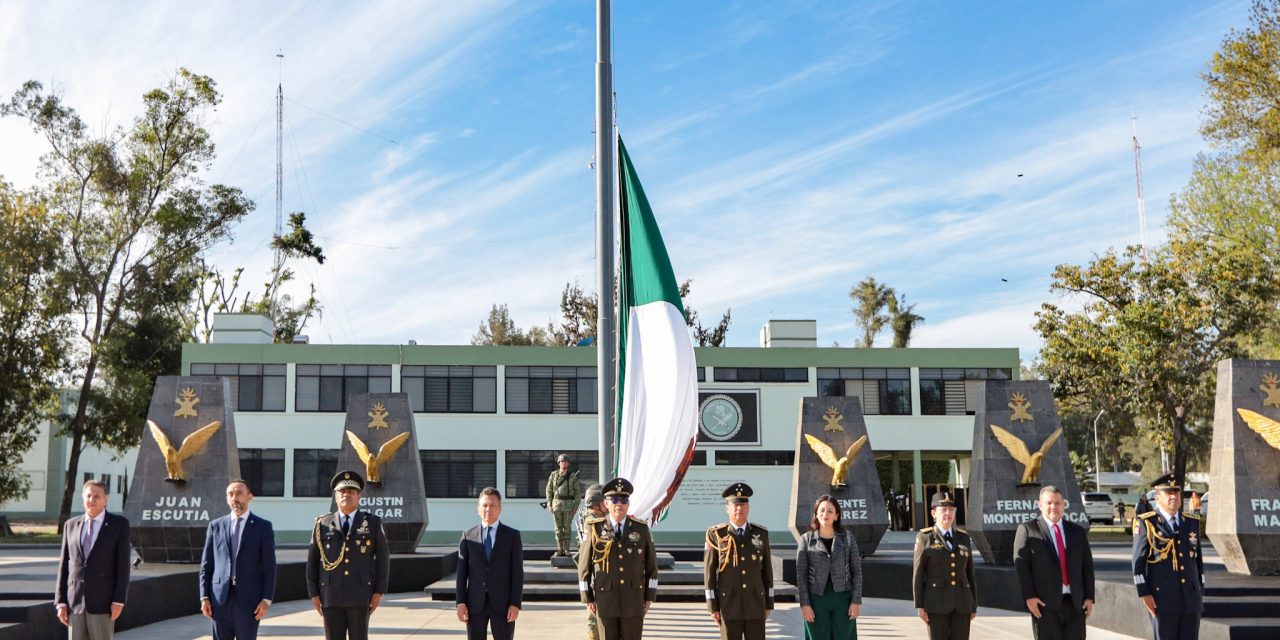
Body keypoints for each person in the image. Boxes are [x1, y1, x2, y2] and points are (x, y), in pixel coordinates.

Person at [306, 470, 391, 640]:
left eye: (351, 491)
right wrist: (313, 593)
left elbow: (383, 559)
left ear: (359, 496)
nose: (346, 495)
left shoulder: (372, 523)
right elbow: (313, 561)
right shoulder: (321, 524)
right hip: (330, 594)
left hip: (360, 594)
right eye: (342, 491)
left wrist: (379, 591)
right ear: (336, 497)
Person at [577, 477, 657, 640]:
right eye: (613, 499)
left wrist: (649, 596)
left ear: (628, 504)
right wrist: (587, 596)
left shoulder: (641, 529)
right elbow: (584, 567)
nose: (618, 503)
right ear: (606, 503)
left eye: (623, 499)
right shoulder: (594, 528)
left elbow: (651, 567)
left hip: (633, 600)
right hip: (606, 600)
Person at [1013, 485, 1095, 640]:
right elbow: (1022, 568)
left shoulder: (1077, 531)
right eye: (1049, 503)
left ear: (1064, 504)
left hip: (1075, 603)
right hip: (1044, 605)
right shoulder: (1028, 529)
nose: (1053, 507)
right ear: (1040, 505)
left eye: (1057, 503)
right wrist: (1029, 596)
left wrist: (1089, 597)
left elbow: (1087, 566)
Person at [200, 480, 277, 640]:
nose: (235, 498)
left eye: (239, 493)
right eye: (231, 494)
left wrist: (266, 599)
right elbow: (206, 565)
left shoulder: (263, 527)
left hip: (249, 601)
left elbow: (269, 567)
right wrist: (204, 597)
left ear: (249, 497)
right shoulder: (215, 526)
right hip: (219, 600)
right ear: (227, 499)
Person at [55, 479, 131, 640]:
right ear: (83, 498)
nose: (92, 500)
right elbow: (64, 566)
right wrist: (60, 601)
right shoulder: (70, 525)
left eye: (97, 496)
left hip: (103, 603)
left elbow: (123, 567)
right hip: (74, 603)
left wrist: (119, 600)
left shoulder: (119, 525)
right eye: (88, 496)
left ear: (106, 500)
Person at [1133, 480, 1204, 640]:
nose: (1174, 497)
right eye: (1168, 493)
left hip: (1190, 599)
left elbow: (1198, 561)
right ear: (1157, 498)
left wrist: (1199, 590)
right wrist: (1144, 593)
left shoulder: (1191, 522)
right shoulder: (1147, 522)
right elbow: (1137, 563)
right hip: (1163, 600)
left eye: (1176, 492)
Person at [704, 482, 774, 640]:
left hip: (755, 603)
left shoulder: (761, 534)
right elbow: (709, 575)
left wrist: (768, 603)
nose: (739, 509)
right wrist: (713, 606)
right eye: (734, 505)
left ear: (748, 508)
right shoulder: (715, 535)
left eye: (743, 505)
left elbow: (767, 571)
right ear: (727, 508)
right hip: (728, 604)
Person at [456, 487, 524, 640]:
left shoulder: (512, 536)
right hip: (474, 605)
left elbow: (517, 573)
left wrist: (515, 603)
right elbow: (461, 573)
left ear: (500, 509)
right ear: (478, 509)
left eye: (493, 505)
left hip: (503, 605)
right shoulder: (468, 535)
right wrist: (460, 602)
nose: (488, 509)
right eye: (485, 505)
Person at [796, 494, 862, 640]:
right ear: (816, 514)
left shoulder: (847, 537)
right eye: (822, 510)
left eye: (830, 511)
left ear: (836, 516)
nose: (825, 514)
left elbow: (856, 571)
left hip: (843, 598)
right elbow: (801, 575)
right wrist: (804, 604)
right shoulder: (806, 539)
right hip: (816, 599)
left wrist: (856, 601)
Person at [912, 492, 976, 640]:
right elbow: (918, 573)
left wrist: (973, 604)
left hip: (962, 603)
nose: (948, 513)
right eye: (943, 510)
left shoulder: (963, 537)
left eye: (951, 509)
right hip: (936, 603)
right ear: (934, 513)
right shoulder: (925, 538)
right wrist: (919, 606)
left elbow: (970, 573)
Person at [576, 484, 607, 640]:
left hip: (597, 578)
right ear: (596, 504)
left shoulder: (592, 519)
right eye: (604, 502)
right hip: (596, 578)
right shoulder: (593, 523)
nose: (607, 505)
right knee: (594, 619)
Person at [546, 453, 581, 557]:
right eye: (562, 461)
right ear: (559, 463)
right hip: (556, 504)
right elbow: (549, 489)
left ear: (568, 463)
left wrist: (576, 506)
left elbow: (577, 492)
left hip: (569, 505)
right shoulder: (553, 475)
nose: (564, 463)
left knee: (567, 527)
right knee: (557, 527)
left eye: (566, 461)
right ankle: (559, 548)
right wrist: (549, 502)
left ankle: (566, 549)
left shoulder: (572, 476)